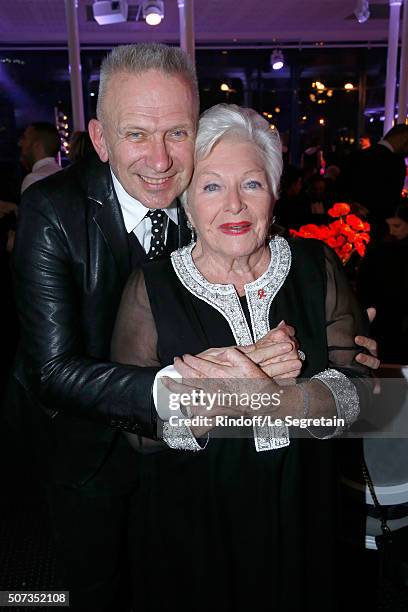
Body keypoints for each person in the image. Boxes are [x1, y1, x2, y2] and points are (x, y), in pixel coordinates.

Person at [11, 44, 378, 610]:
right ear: (101, 139)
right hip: (91, 447)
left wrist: (335, 350)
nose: (159, 160)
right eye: (136, 134)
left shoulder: (215, 199)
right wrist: (210, 390)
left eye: (177, 133)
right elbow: (53, 369)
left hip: (218, 475)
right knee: (97, 590)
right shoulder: (51, 212)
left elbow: (256, 255)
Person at [111, 104, 373, 612]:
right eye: (211, 186)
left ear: (275, 194)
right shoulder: (151, 288)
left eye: (251, 184)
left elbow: (360, 390)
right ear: (186, 201)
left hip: (302, 510)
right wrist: (247, 382)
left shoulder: (316, 267)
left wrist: (268, 399)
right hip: (193, 523)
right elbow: (134, 427)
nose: (234, 205)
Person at [358, 199, 408, 364]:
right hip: (383, 320)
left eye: (397, 226)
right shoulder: (379, 251)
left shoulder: (382, 251)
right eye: (390, 226)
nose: (392, 232)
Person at [19, 122, 61, 193]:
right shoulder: (64, 175)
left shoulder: (34, 179)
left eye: (24, 138)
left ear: (37, 146)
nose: (20, 143)